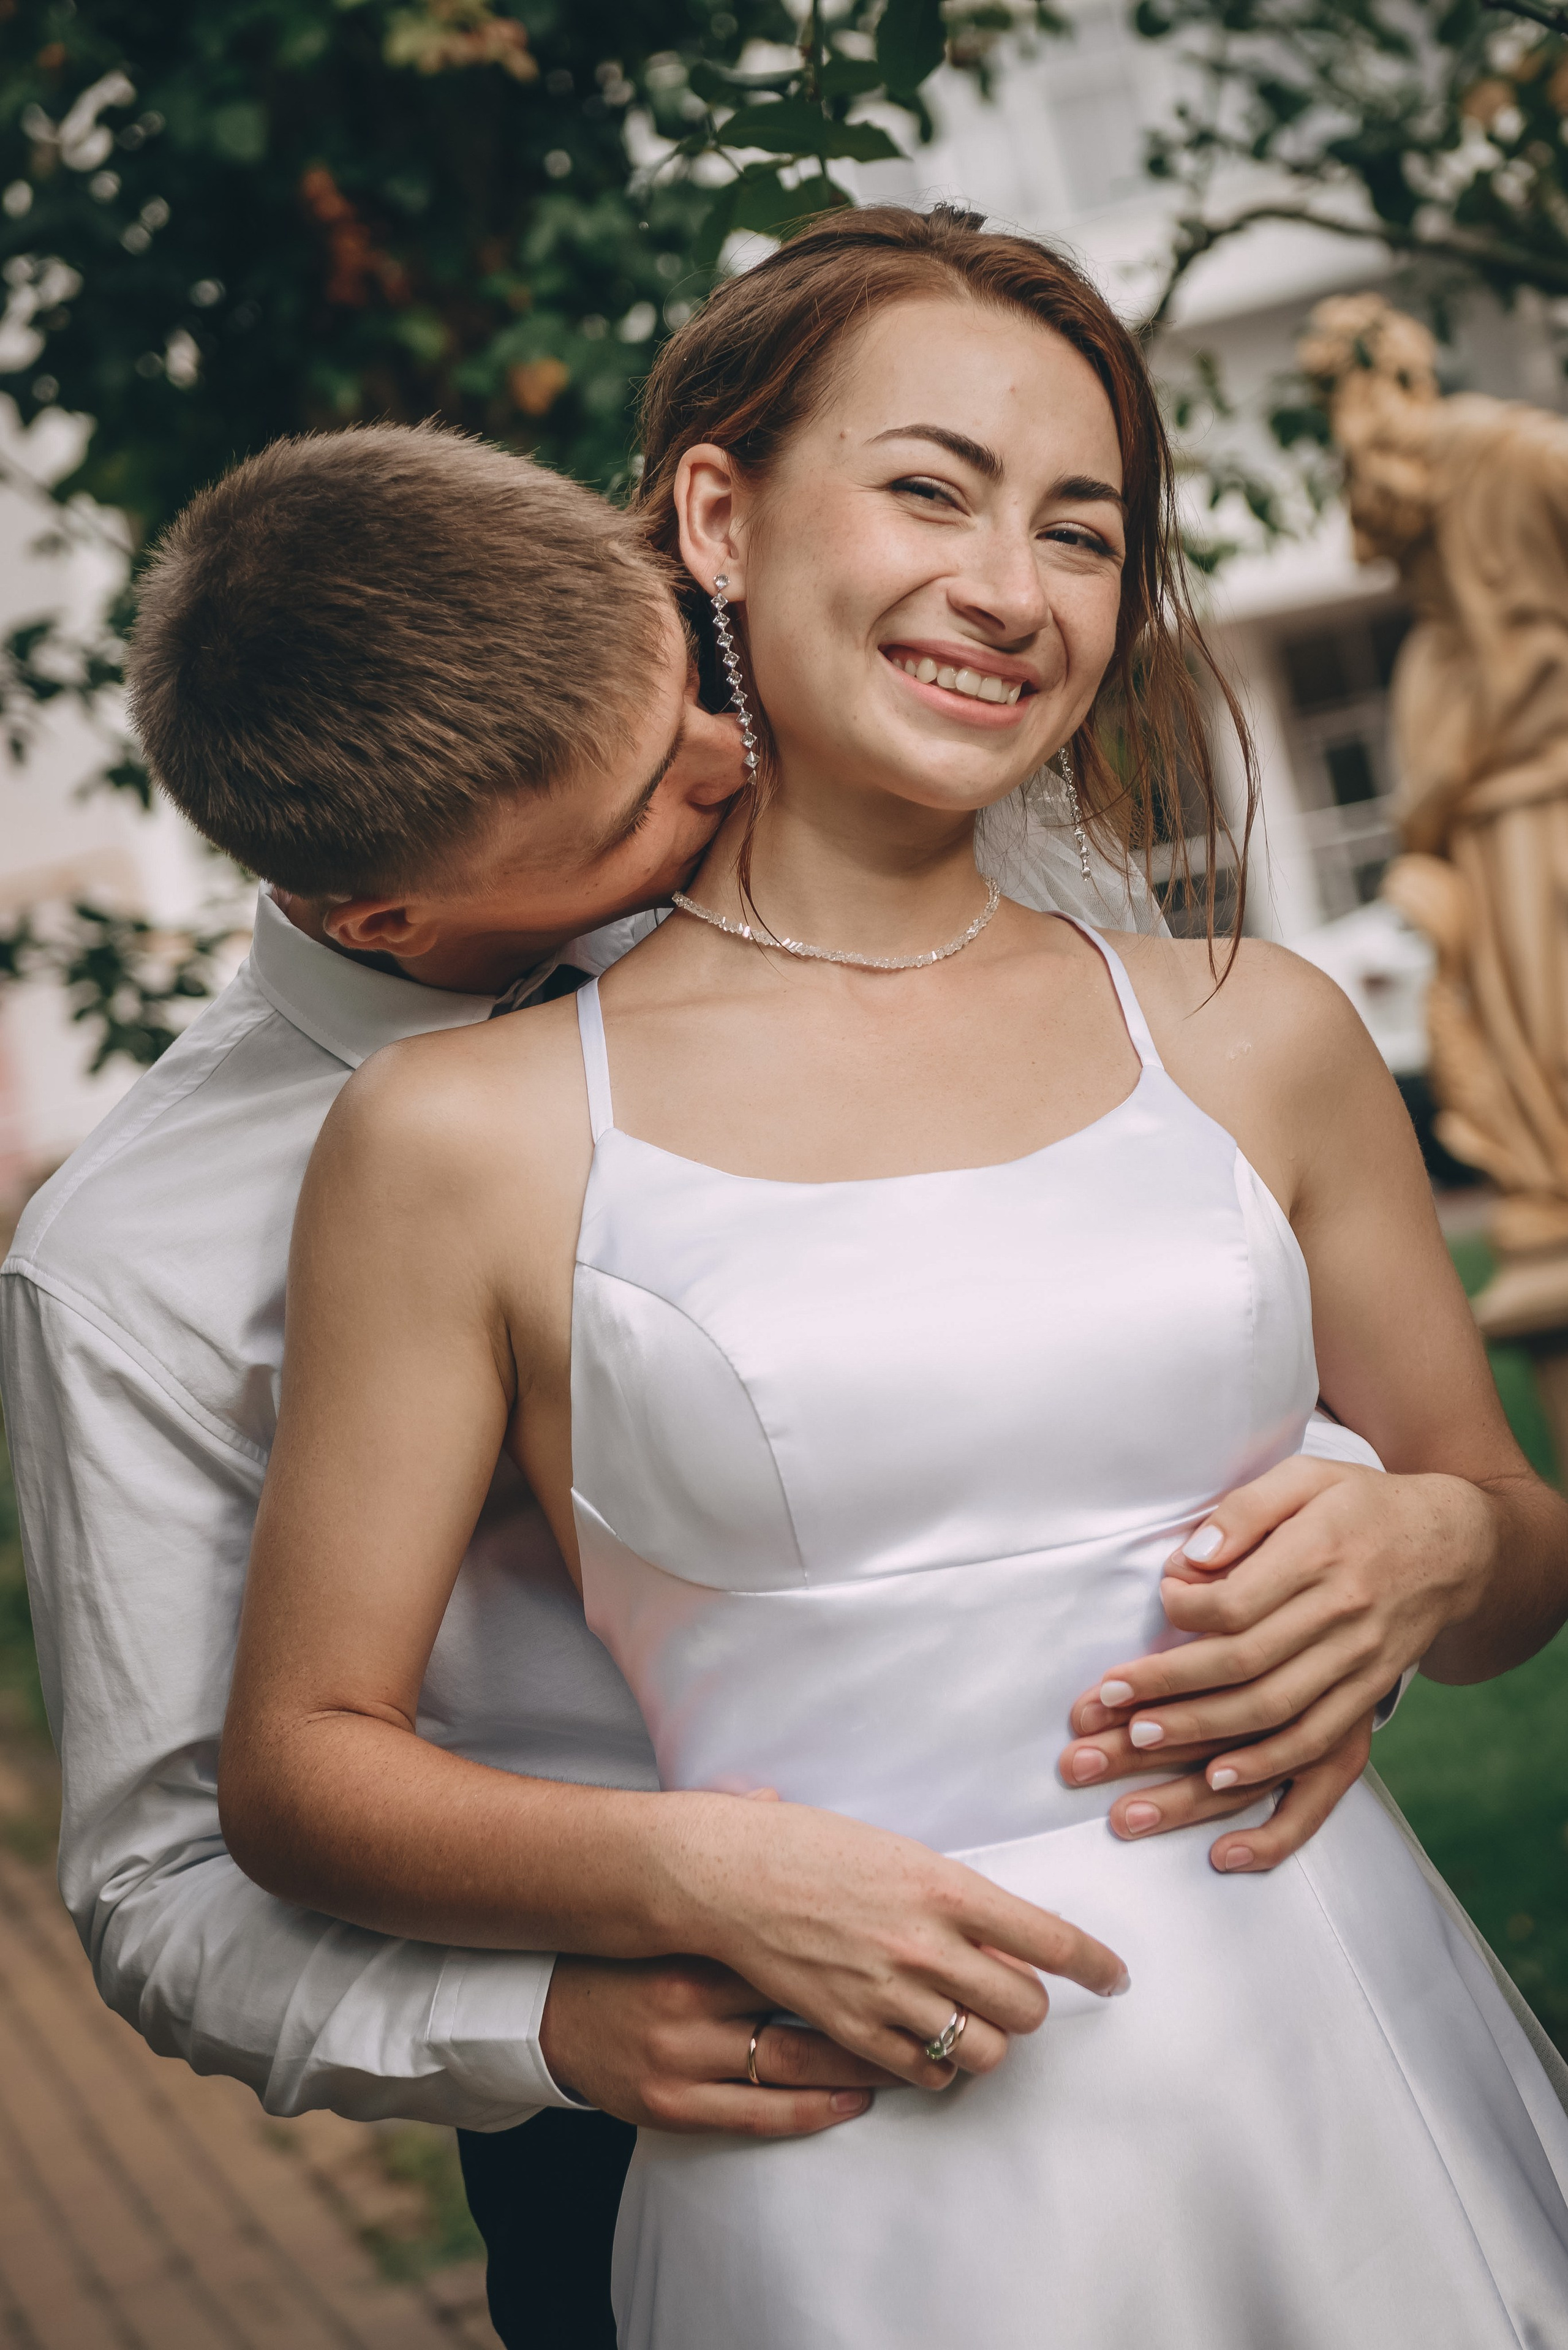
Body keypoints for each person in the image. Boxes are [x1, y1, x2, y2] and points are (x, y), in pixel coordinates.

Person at [220, 208, 1568, 2346]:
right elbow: (298, 1766)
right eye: (930, 489)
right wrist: (688, 1873)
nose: (1010, 592)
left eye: (1083, 531)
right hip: (858, 2186)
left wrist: (1427, 1546)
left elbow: (1517, 1547)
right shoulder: (461, 1141)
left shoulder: (1253, 1028)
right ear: (720, 515)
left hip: (1340, 2083)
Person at [0, 418, 1375, 2349]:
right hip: (662, 2105)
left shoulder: (826, 865)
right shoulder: (132, 1268)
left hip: (1218, 1973)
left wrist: (1360, 1541)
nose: (734, 768)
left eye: (690, 689)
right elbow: (160, 1884)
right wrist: (554, 2019)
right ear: (381, 917)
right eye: (647, 796)